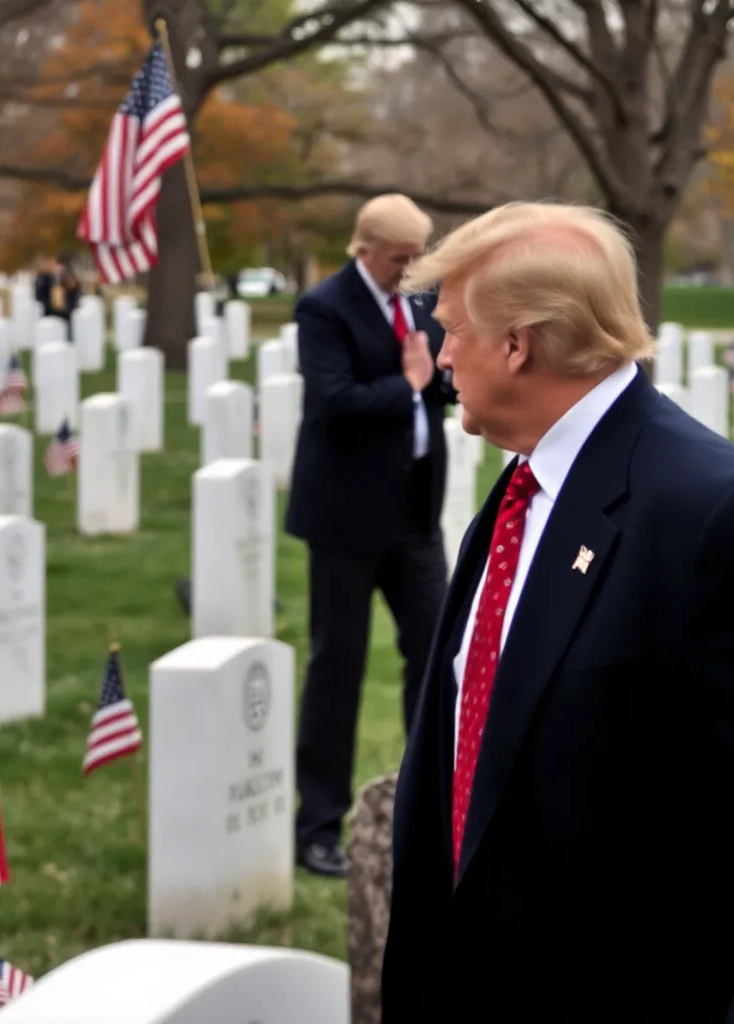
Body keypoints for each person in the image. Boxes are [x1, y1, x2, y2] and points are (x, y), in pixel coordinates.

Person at [382, 201, 734, 1021]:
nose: (439, 356)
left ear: (519, 345)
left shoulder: (716, 518)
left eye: (451, 331)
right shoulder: (524, 487)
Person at [286, 194, 456, 879]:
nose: (413, 269)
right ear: (365, 249)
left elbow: (439, 385)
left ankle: (429, 808)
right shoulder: (324, 308)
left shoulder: (419, 301)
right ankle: (319, 826)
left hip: (415, 517)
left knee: (437, 652)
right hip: (347, 518)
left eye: (421, 256)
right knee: (339, 668)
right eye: (401, 258)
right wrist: (409, 381)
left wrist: (440, 377)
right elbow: (336, 404)